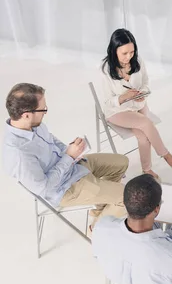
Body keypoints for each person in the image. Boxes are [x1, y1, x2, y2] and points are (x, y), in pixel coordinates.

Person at [3, 83, 129, 224]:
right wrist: (69, 157)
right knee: (129, 197)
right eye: (42, 109)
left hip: (72, 166)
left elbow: (52, 140)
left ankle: (101, 207)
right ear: (26, 115)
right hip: (65, 188)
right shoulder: (19, 154)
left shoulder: (33, 125)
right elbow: (45, 188)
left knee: (122, 162)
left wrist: (70, 149)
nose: (45, 112)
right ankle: (98, 228)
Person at [102, 28, 172, 182]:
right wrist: (124, 97)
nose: (129, 57)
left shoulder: (137, 61)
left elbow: (145, 83)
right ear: (114, 51)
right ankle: (165, 154)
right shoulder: (106, 69)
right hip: (117, 111)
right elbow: (107, 102)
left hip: (138, 106)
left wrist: (142, 93)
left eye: (131, 52)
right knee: (146, 123)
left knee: (143, 136)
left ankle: (147, 170)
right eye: (124, 53)